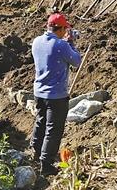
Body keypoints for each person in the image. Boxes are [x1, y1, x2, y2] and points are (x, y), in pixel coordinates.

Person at [31, 13, 82, 176]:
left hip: (39, 92)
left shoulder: (36, 41)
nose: (66, 32)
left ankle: (35, 151)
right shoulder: (61, 45)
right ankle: (46, 164)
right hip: (56, 96)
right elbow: (76, 61)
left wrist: (65, 42)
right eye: (65, 29)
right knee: (53, 130)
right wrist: (71, 43)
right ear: (59, 29)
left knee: (40, 121)